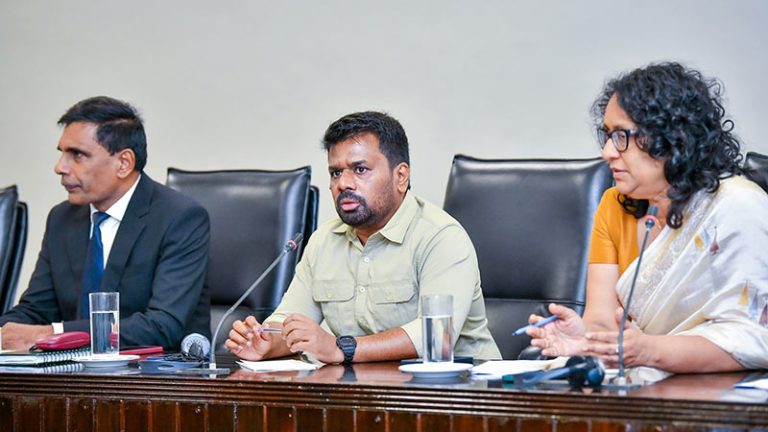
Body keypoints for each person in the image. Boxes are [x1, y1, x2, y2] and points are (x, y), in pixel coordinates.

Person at [528, 62, 768, 375]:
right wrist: (585, 342)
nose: (607, 152)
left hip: (718, 391)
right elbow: (603, 323)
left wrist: (650, 350)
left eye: (621, 137)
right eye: (607, 136)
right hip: (641, 380)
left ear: (672, 138)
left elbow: (754, 338)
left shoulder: (735, 205)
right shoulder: (615, 203)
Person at [226, 111, 500, 363]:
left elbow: (435, 335)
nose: (343, 183)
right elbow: (288, 323)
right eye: (335, 172)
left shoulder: (440, 237)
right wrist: (266, 343)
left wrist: (339, 348)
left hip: (460, 398)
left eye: (360, 169)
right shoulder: (324, 241)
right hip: (364, 395)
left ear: (401, 176)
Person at [0, 96, 211, 350]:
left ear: (123, 163)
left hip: (154, 381)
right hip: (71, 376)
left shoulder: (180, 217)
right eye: (62, 154)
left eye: (77, 155)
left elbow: (162, 325)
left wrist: (53, 333)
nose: (60, 167)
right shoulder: (62, 218)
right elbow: (36, 310)